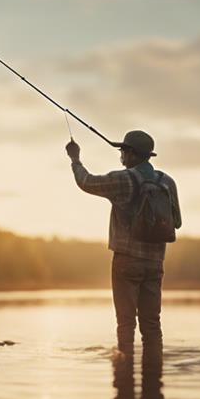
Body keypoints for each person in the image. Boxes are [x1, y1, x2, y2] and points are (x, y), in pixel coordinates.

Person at [65, 130, 181, 350]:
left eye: (123, 150)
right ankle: (153, 377)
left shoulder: (124, 179)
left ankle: (125, 373)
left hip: (126, 261)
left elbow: (86, 182)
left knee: (126, 323)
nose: (120, 154)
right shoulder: (167, 181)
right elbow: (177, 223)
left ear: (132, 154)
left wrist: (75, 158)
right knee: (152, 325)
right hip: (155, 263)